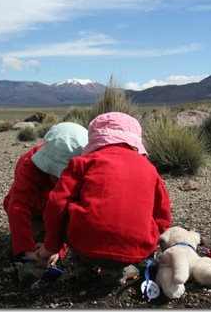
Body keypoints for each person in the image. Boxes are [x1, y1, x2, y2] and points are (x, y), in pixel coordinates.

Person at [37, 112, 172, 286]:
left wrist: (51, 246)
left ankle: (83, 265)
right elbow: (163, 216)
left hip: (85, 247)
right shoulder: (149, 169)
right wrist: (145, 237)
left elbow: (56, 204)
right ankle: (115, 271)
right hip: (135, 250)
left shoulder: (82, 163)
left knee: (69, 210)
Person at [3, 121, 88, 286]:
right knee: (29, 245)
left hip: (60, 213)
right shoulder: (29, 164)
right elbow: (18, 206)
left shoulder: (82, 170)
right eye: (57, 176)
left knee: (55, 243)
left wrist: (58, 249)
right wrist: (27, 249)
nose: (60, 181)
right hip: (35, 213)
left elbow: (70, 211)